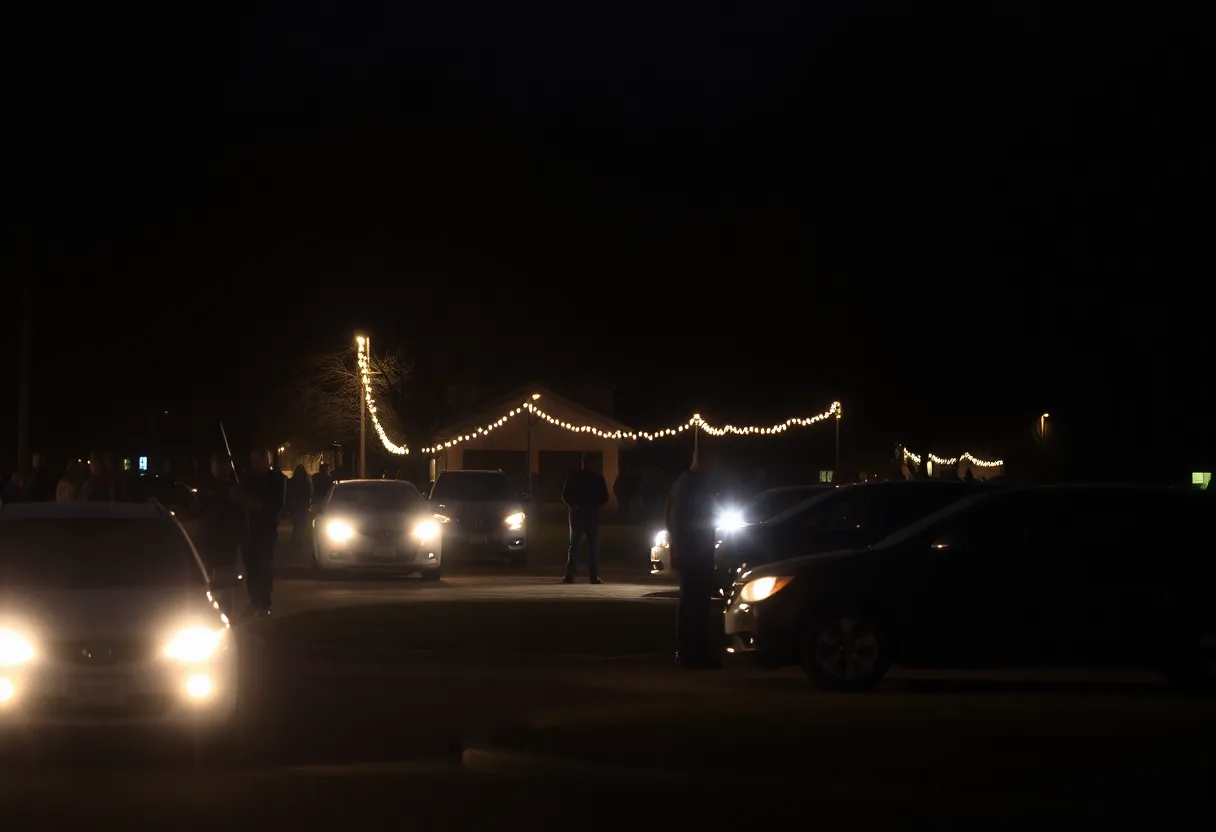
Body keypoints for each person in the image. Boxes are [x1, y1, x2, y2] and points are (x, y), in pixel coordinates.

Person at [665, 439, 721, 668]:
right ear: (702, 460)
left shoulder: (690, 483)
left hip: (697, 551)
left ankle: (694, 652)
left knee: (697, 604)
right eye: (713, 462)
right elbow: (677, 520)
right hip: (693, 553)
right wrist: (678, 550)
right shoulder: (690, 484)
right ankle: (691, 654)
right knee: (693, 604)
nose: (716, 467)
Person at [184, 454, 247, 614]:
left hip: (227, 543)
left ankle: (226, 611)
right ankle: (209, 610)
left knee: (226, 580)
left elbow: (242, 513)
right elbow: (194, 511)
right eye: (217, 467)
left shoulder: (235, 488)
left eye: (224, 467)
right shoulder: (205, 490)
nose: (220, 471)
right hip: (207, 542)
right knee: (207, 579)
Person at [241, 449, 286, 616]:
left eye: (260, 461)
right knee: (251, 567)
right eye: (254, 461)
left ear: (267, 461)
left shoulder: (276, 480)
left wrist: (251, 503)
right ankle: (253, 601)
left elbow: (275, 505)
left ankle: (264, 603)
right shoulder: (247, 480)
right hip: (248, 530)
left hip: (266, 530)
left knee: (264, 567)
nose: (257, 465)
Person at [561, 454, 610, 584]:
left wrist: (574, 505)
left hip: (585, 514)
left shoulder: (578, 477)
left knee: (583, 546)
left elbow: (604, 497)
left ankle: (574, 575)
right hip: (585, 514)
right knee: (584, 546)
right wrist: (575, 505)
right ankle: (584, 575)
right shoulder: (592, 478)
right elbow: (566, 495)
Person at [286, 464, 313, 559]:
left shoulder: (293, 482)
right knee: (302, 524)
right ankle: (299, 540)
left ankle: (296, 540)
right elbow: (309, 494)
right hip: (302, 506)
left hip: (295, 506)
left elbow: (289, 494)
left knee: (296, 524)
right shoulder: (306, 482)